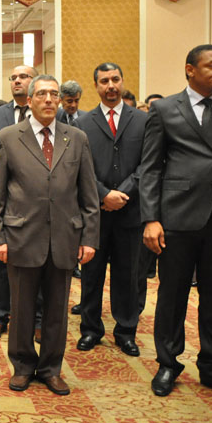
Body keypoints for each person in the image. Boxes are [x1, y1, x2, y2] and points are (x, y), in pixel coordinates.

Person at [0, 74, 99, 396]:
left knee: (57, 310)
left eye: (54, 94)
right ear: (31, 100)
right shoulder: (8, 137)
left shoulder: (76, 138)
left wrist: (89, 238)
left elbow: (89, 194)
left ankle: (51, 368)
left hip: (65, 237)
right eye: (42, 94)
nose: (49, 99)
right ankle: (22, 366)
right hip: (21, 237)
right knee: (20, 308)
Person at [141, 45, 212, 397]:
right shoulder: (164, 109)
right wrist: (151, 219)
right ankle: (168, 364)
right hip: (178, 216)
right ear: (190, 70)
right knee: (172, 296)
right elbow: (150, 169)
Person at [75, 63, 147, 357]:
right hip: (96, 213)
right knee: (91, 275)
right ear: (96, 86)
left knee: (128, 276)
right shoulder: (82, 123)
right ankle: (91, 329)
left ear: (122, 81)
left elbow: (150, 164)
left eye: (115, 79)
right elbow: (80, 168)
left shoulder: (143, 120)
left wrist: (124, 192)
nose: (110, 85)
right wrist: (104, 194)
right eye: (104, 81)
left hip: (131, 212)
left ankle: (126, 331)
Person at [0, 65, 37, 340]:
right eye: (12, 77)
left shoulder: (47, 111)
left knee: (36, 260)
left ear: (34, 81)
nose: (16, 81)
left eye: (22, 77)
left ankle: (36, 318)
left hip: (36, 198)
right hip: (1, 197)